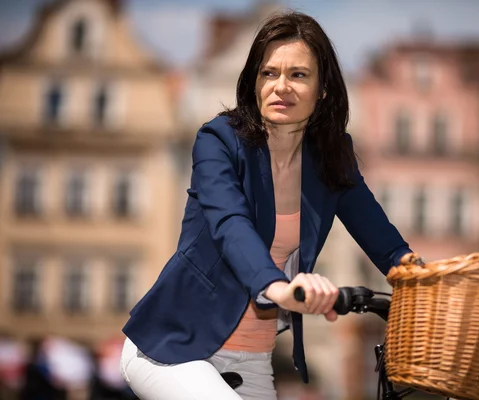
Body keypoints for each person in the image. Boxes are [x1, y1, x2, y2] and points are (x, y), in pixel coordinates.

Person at [120, 10, 412, 400]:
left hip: (252, 356)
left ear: (323, 89)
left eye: (299, 75)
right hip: (173, 346)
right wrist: (277, 286)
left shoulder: (331, 157)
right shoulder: (220, 140)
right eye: (269, 73)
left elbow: (386, 244)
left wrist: (433, 285)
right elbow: (231, 225)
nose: (281, 87)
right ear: (254, 82)